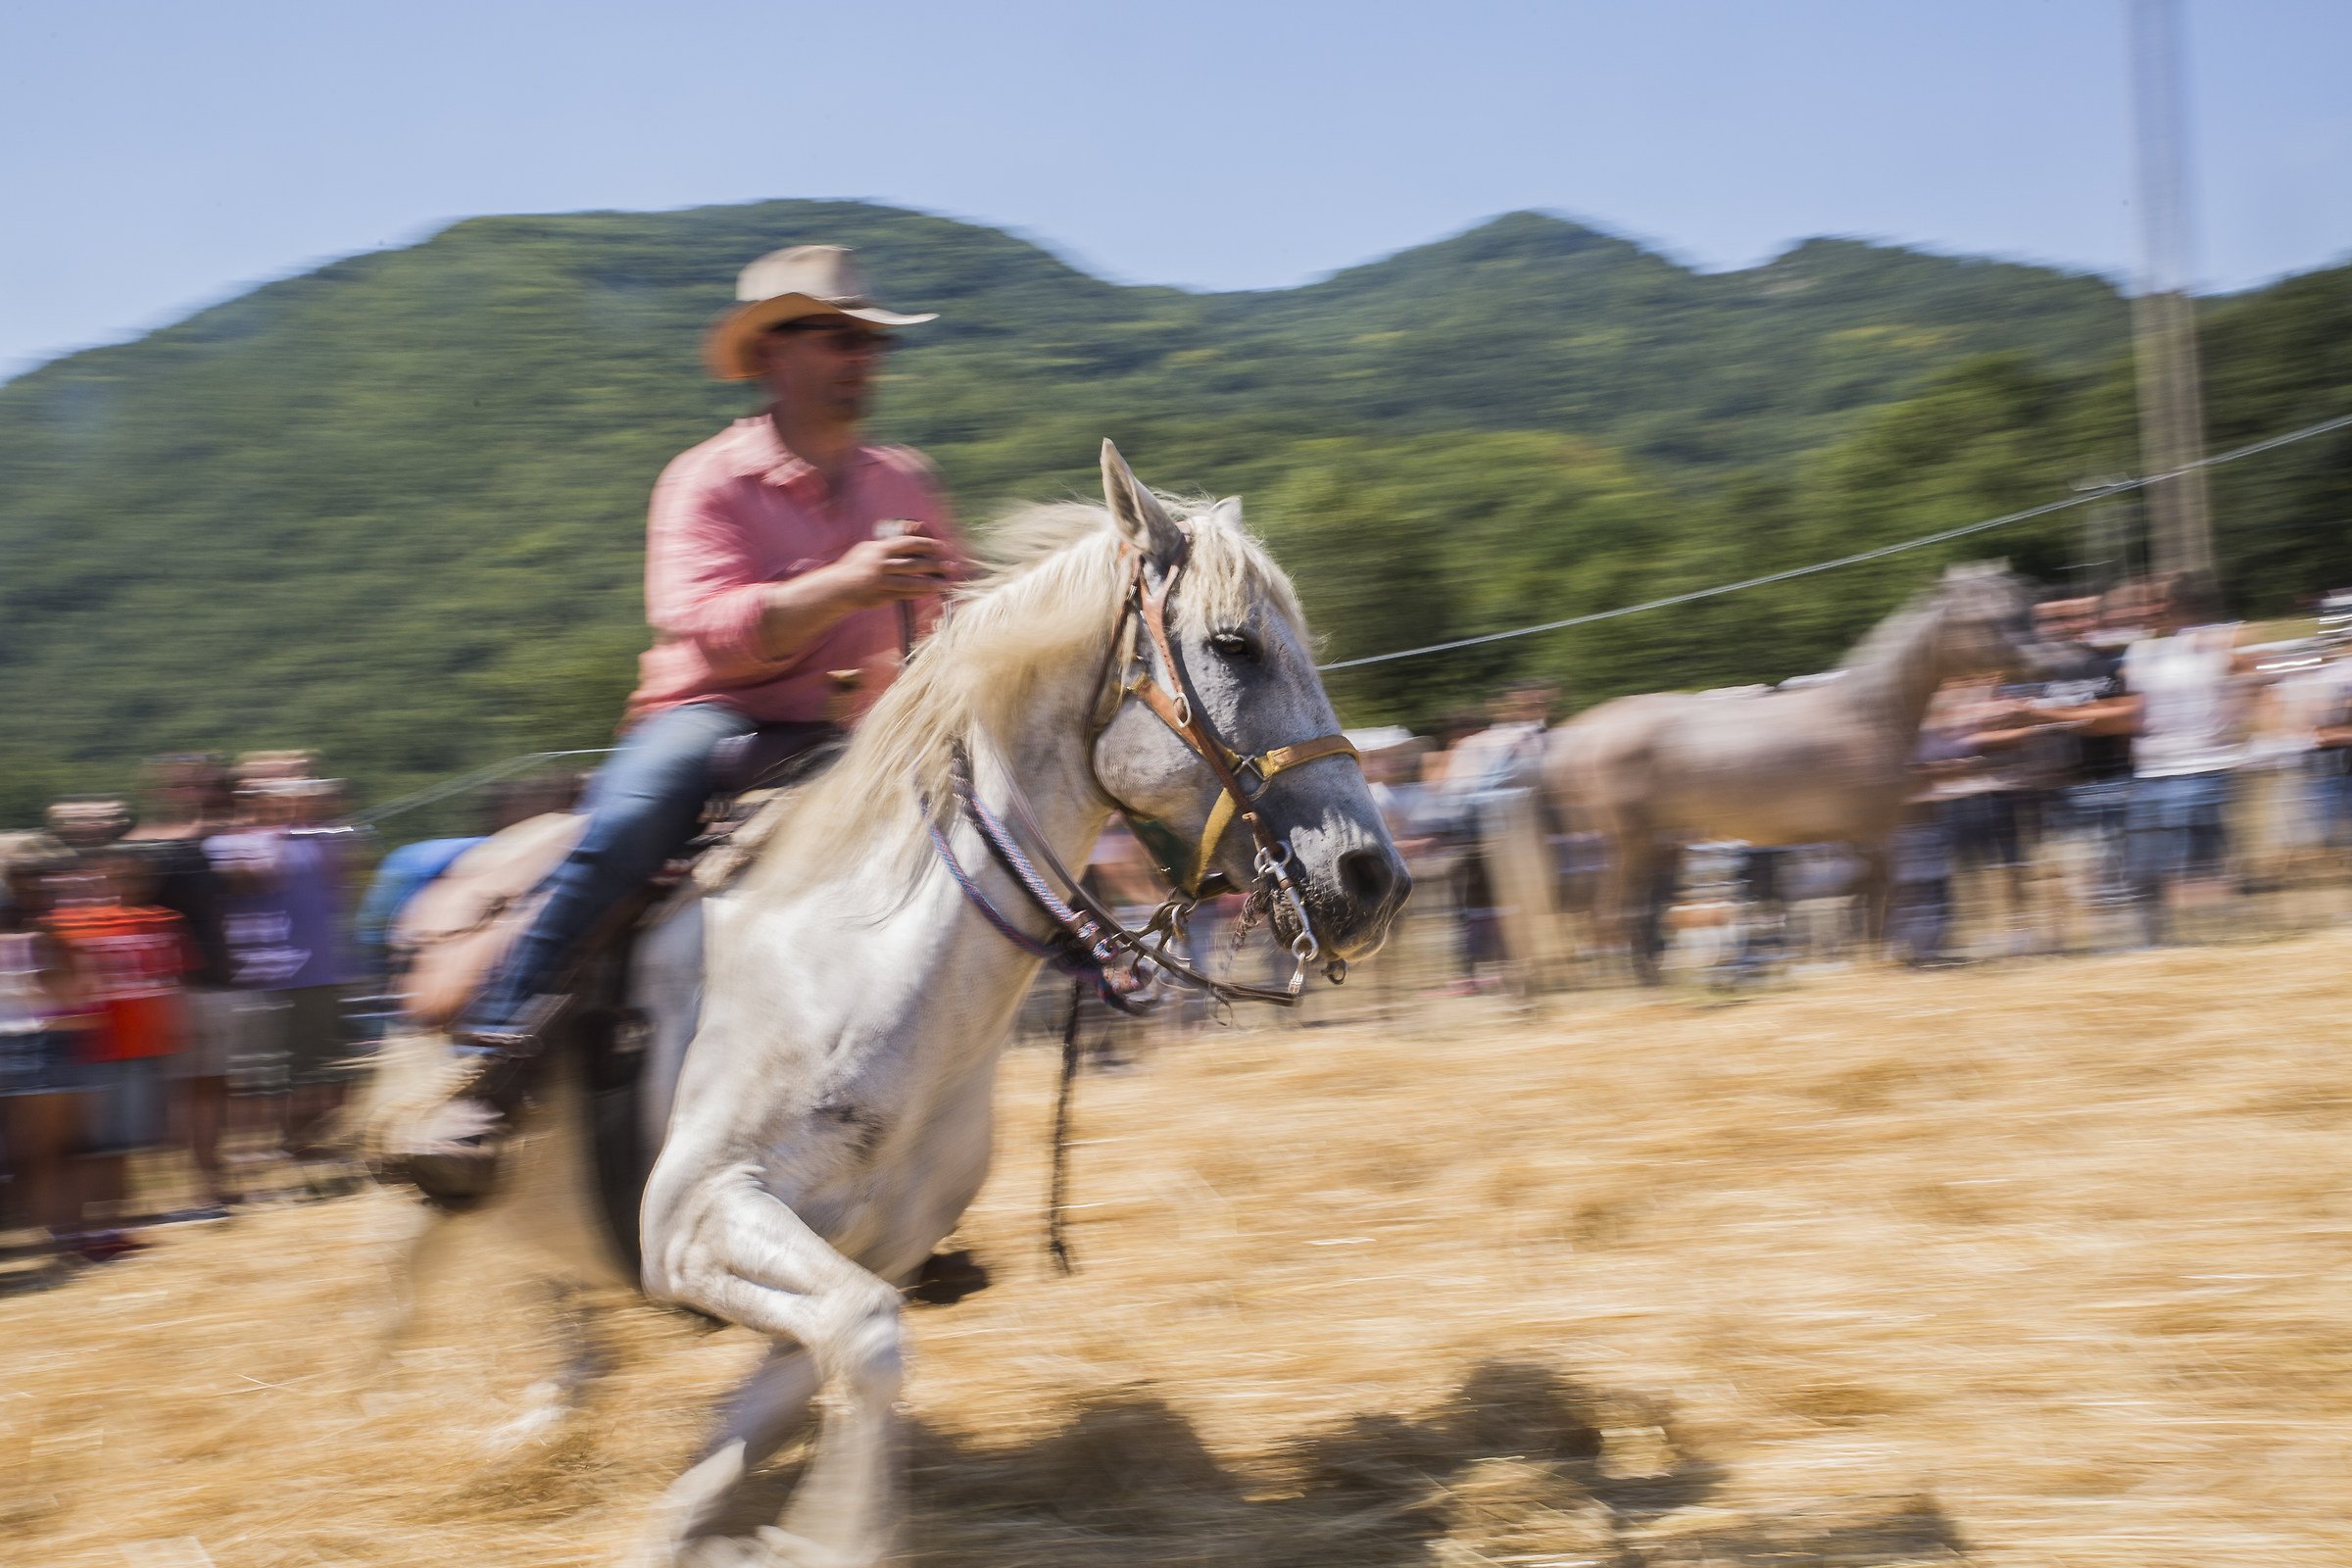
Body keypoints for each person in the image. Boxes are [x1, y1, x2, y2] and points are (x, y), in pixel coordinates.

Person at [403, 244, 965, 1174]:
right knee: (623, 828)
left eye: (870, 342)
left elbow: (953, 610)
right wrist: (847, 585)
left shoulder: (904, 481)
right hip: (709, 719)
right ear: (771, 357)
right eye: (838, 338)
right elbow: (709, 631)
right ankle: (491, 1073)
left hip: (849, 734)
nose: (862, 357)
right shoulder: (707, 480)